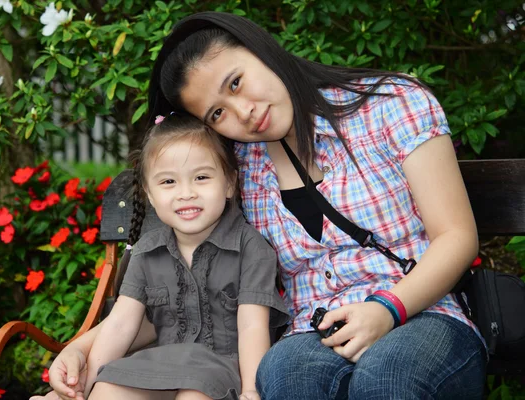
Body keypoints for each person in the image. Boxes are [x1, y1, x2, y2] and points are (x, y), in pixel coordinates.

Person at [35, 11, 487, 400]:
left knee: (387, 377)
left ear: (259, 49)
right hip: (313, 332)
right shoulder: (237, 170)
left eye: (236, 82)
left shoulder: (390, 104)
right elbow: (184, 290)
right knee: (284, 375)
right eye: (217, 113)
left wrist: (387, 309)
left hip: (425, 314)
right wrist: (81, 347)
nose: (243, 111)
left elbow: (457, 236)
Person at [81, 113, 288, 400]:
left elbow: (252, 326)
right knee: (106, 392)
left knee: (193, 395)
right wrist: (84, 386)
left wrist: (253, 390)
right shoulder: (146, 251)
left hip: (222, 371)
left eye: (201, 177)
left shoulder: (251, 249)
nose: (186, 193)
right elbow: (120, 324)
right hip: (161, 364)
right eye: (168, 182)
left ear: (229, 183)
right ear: (150, 195)